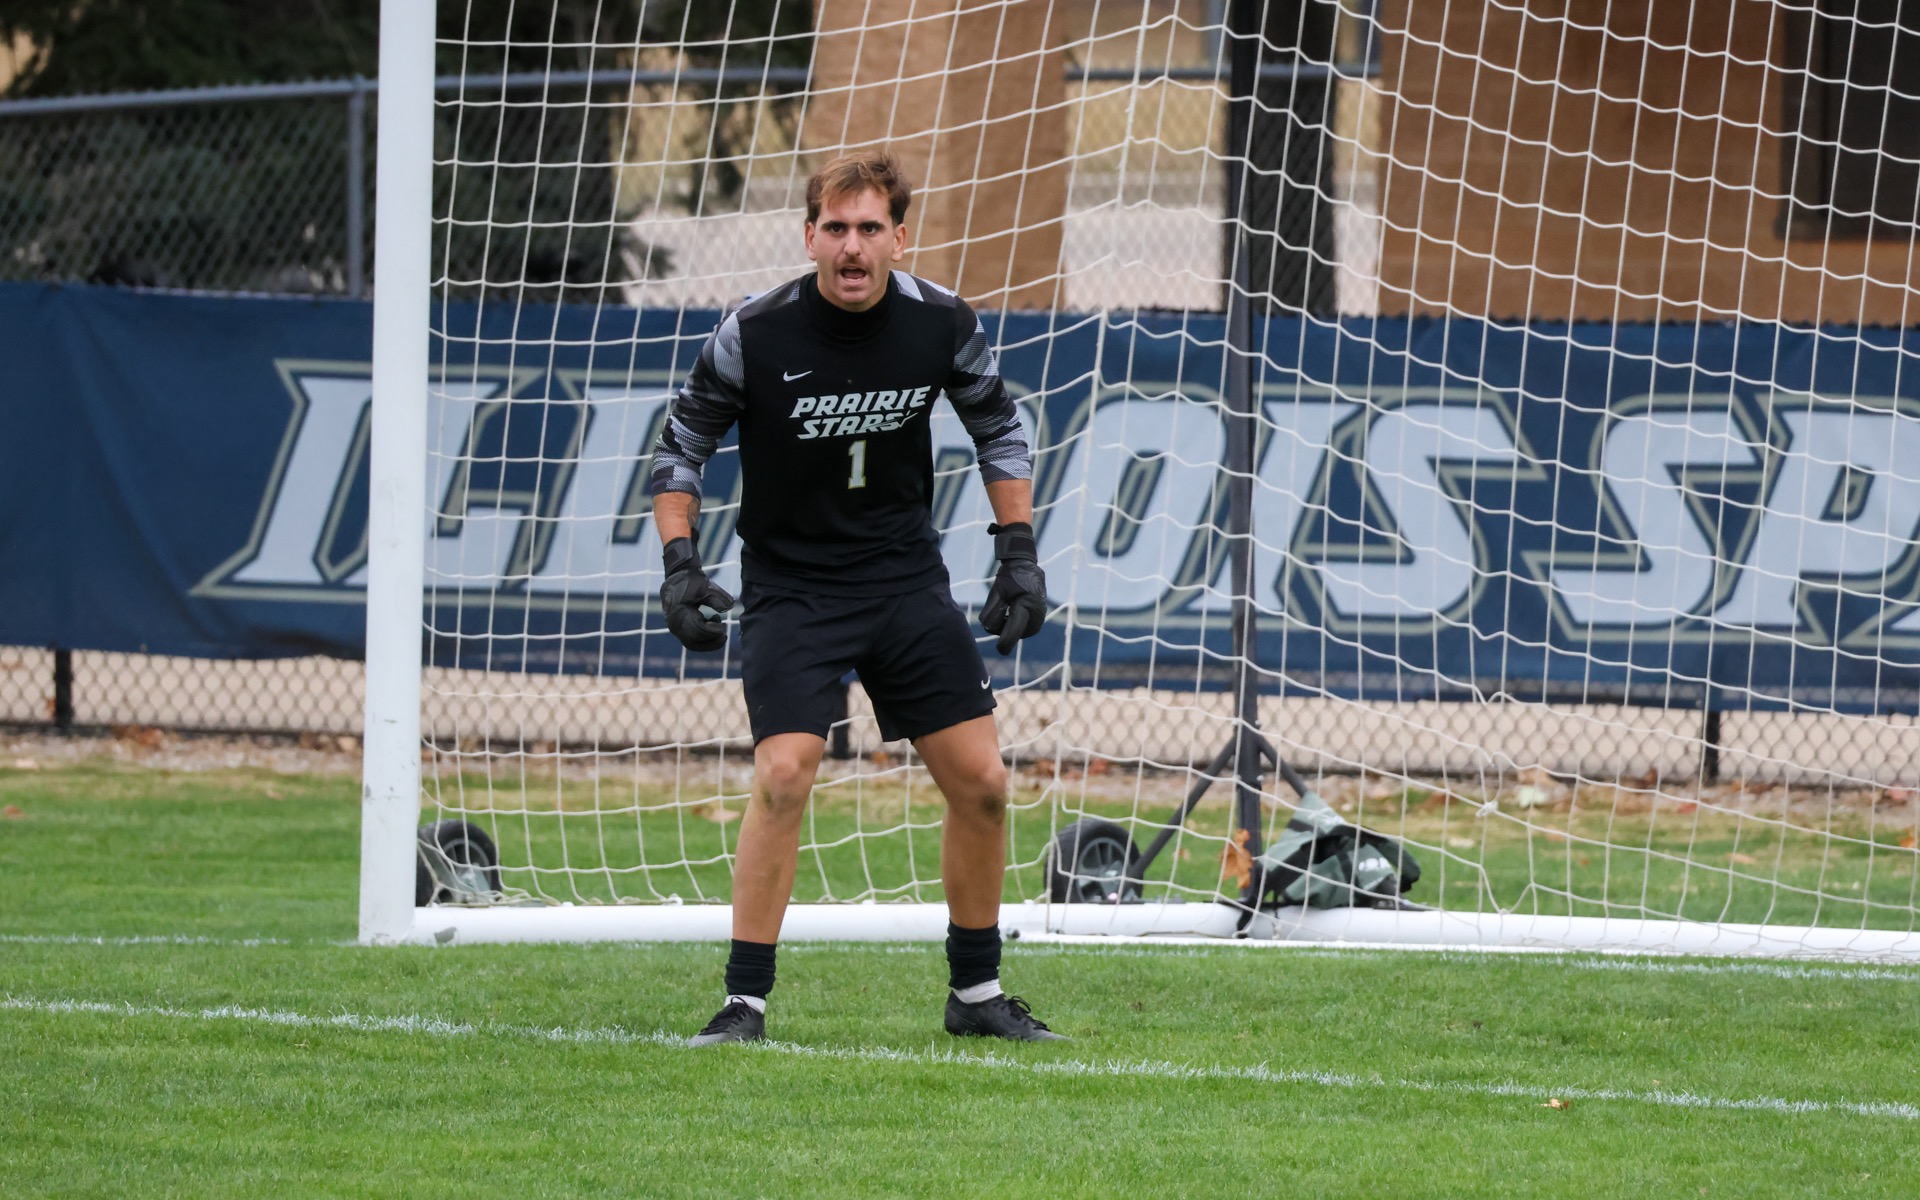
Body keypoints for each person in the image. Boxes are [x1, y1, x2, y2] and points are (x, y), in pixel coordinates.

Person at [649, 150, 1063, 1045]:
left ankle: (977, 991)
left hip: (905, 582)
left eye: (870, 228)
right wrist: (679, 564)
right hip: (794, 589)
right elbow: (681, 445)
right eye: (834, 228)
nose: (851, 246)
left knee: (986, 784)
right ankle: (744, 1004)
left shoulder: (942, 321)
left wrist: (1018, 553)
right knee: (785, 772)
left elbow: (998, 426)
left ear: (898, 238)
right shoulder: (752, 333)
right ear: (809, 238)